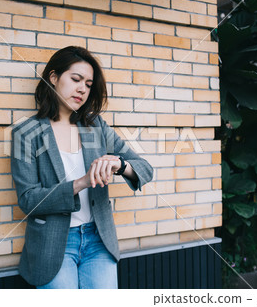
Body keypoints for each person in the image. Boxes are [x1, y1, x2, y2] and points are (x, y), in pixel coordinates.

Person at [11, 46, 153, 289]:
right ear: (53, 78)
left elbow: (145, 169)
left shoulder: (95, 126)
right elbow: (28, 200)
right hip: (54, 244)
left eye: (88, 84)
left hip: (99, 240)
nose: (82, 89)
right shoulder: (26, 133)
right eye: (76, 79)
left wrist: (119, 165)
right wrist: (81, 183)